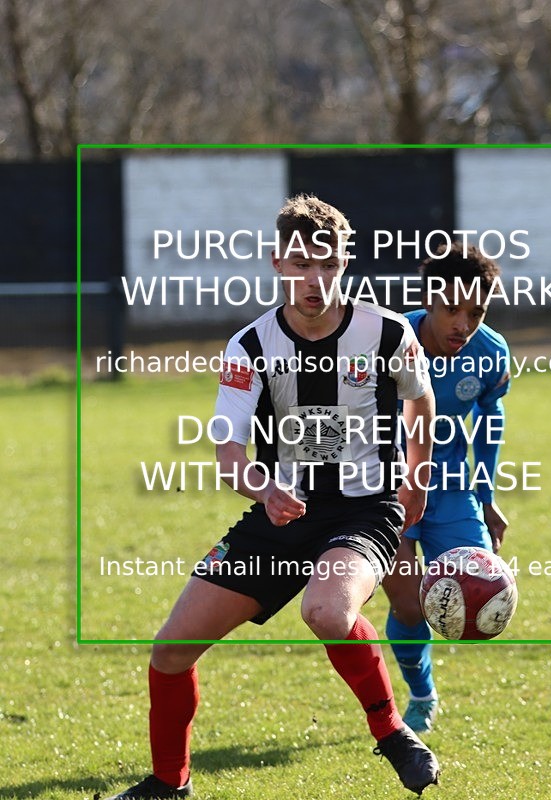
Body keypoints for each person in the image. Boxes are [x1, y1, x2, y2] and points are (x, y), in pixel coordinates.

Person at [104, 195, 440, 799]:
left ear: (346, 262)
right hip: (281, 511)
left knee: (327, 612)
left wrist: (415, 478)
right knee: (170, 651)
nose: (316, 280)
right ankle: (168, 782)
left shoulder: (387, 331)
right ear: (277, 263)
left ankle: (394, 734)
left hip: (365, 509)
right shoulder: (250, 346)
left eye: (329, 265)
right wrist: (263, 487)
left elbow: (420, 398)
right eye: (301, 265)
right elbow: (228, 450)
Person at [383, 241, 511, 734]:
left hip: (450, 486)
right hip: (382, 492)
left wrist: (487, 494)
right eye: (451, 309)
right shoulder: (387, 341)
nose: (463, 324)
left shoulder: (490, 352)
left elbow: (490, 419)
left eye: (476, 312)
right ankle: (421, 693)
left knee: (478, 591)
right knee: (410, 605)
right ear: (429, 300)